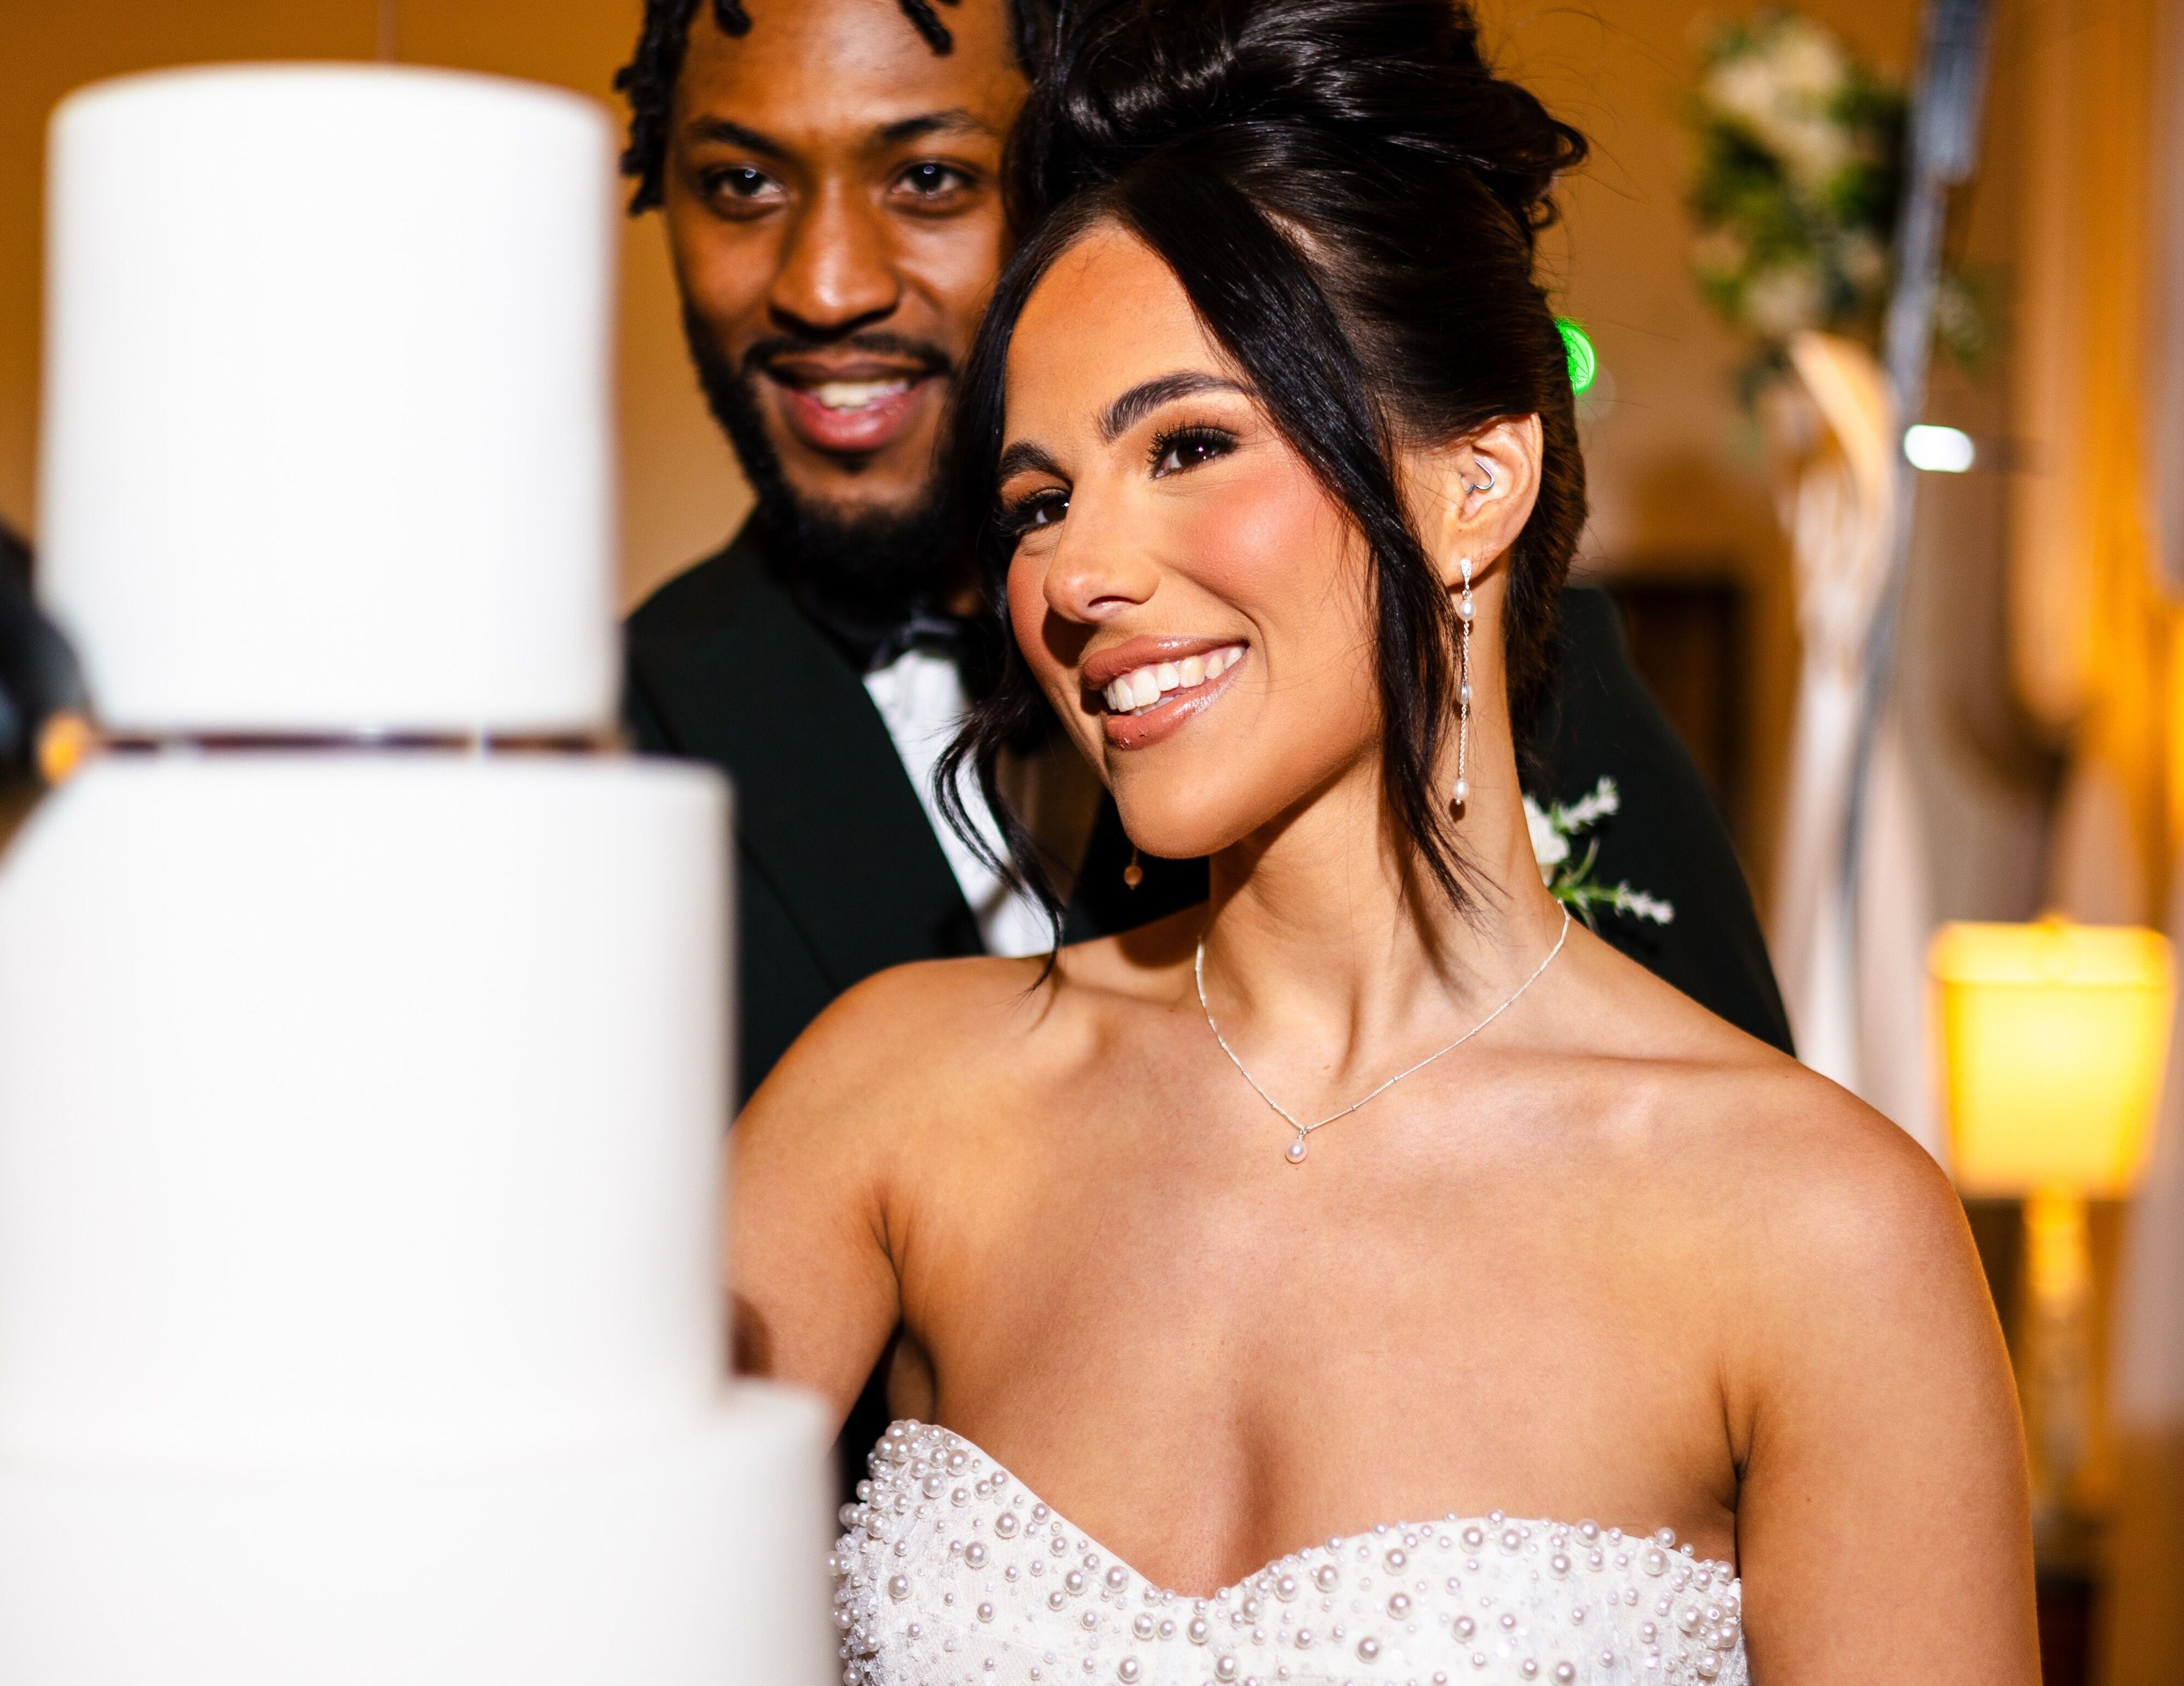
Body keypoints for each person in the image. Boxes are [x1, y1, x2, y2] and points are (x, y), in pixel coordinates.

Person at [727, 2, 2037, 1681]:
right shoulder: (898, 1102)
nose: (1073, 579)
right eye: (1037, 500)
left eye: (1188, 445)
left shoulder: (1820, 1232)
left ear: (1475, 481)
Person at [614, 0, 1791, 1124]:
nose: (827, 286)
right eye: (742, 182)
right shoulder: (606, 732)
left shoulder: (1484, 642)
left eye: (931, 177)